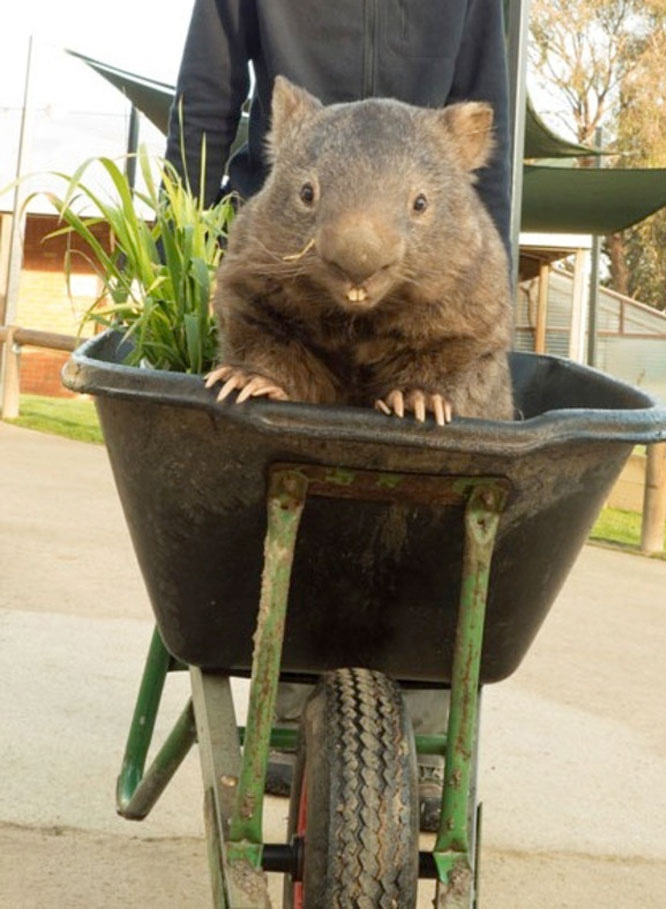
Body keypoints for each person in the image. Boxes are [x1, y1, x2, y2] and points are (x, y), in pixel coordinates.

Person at [166, 0, 512, 832]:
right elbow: (206, 94)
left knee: (445, 458)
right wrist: (181, 222)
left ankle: (424, 706)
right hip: (292, 219)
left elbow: (484, 119)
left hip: (425, 216)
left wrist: (484, 254)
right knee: (275, 441)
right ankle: (290, 681)